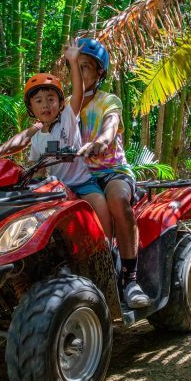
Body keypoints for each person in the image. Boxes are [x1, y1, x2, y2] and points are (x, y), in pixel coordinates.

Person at [0, 46, 112, 237]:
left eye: (51, 99)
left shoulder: (68, 119)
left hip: (82, 184)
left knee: (100, 207)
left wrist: (72, 60)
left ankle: (109, 252)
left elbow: (78, 92)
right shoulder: (36, 135)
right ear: (31, 107)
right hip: (54, 189)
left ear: (61, 103)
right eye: (38, 101)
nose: (45, 104)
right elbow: (38, 167)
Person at [73, 38, 150, 310]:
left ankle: (130, 279)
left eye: (85, 67)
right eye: (75, 67)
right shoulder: (66, 105)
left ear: (99, 73)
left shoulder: (109, 100)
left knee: (117, 200)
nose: (80, 74)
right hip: (79, 176)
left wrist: (101, 141)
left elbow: (110, 125)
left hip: (112, 171)